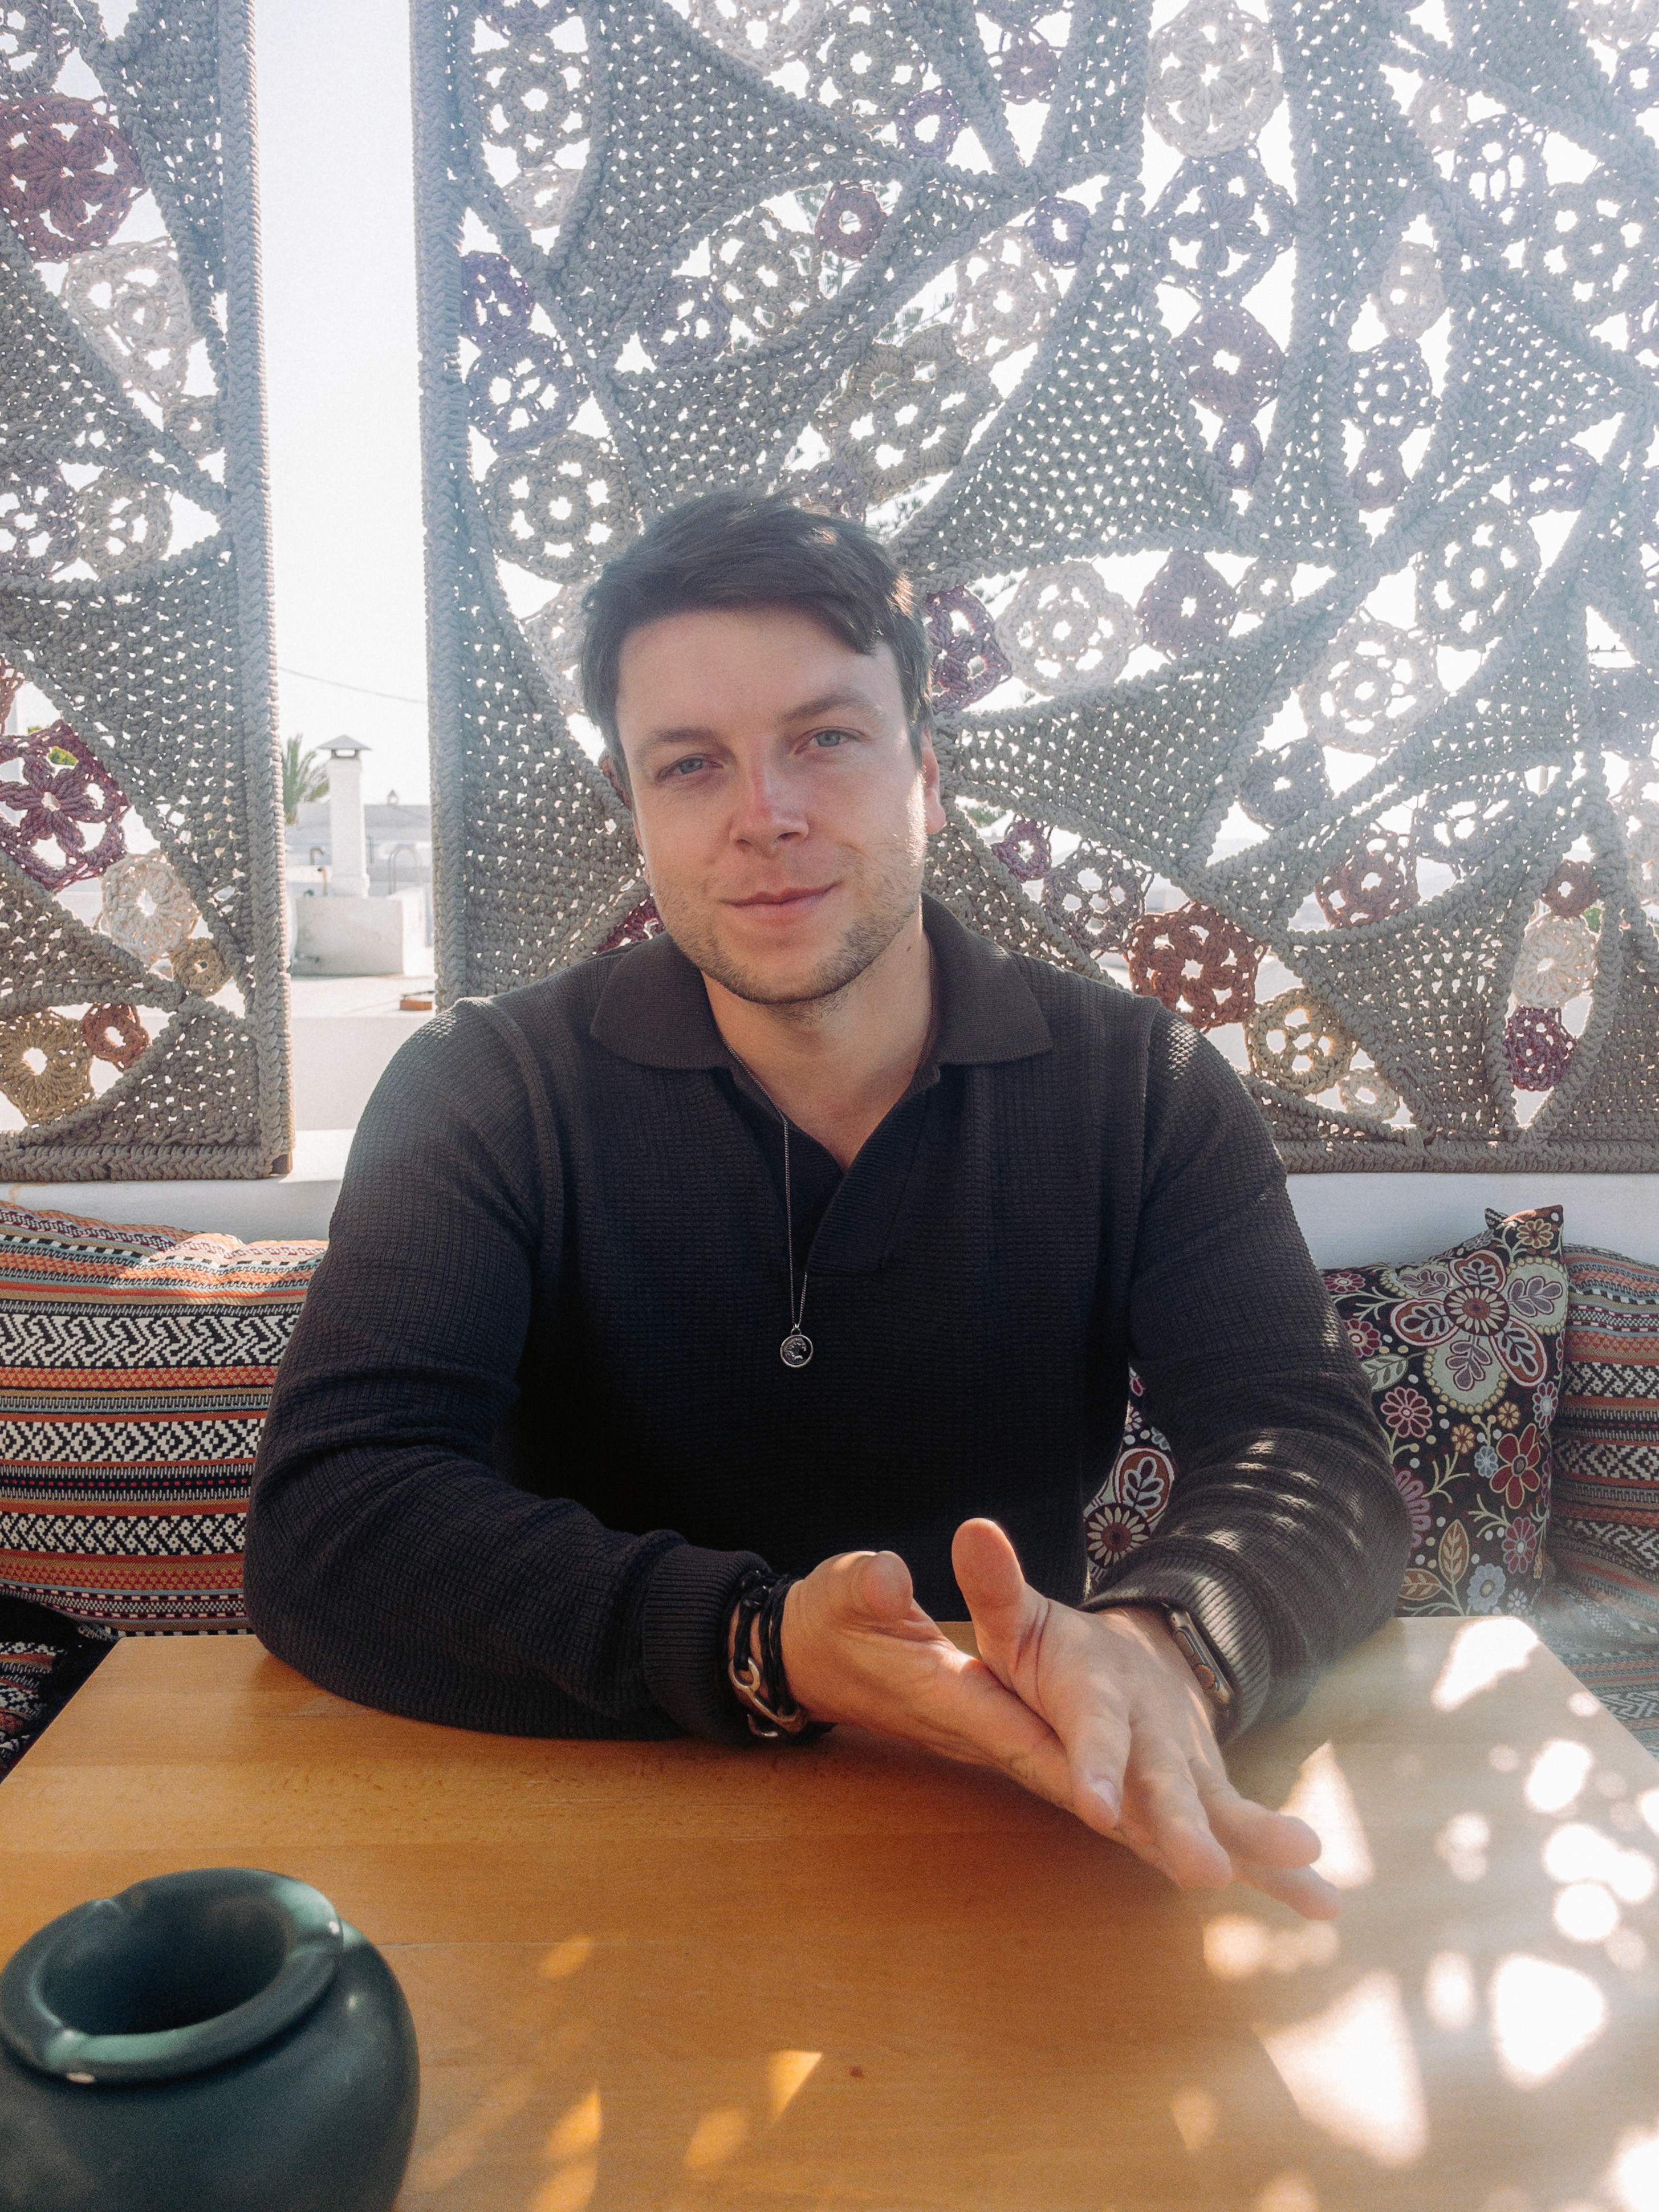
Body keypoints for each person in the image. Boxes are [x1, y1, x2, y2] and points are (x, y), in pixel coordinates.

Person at [245, 491, 1407, 1921]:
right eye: (691, 764)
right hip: (582, 1833)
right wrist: (762, 1641)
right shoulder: (486, 1090)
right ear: (639, 808)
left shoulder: (1144, 1085)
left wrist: (1169, 1644)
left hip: (1014, 1822)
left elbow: (1312, 1453)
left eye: (824, 737)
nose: (765, 814)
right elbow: (334, 1518)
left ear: (926, 767)